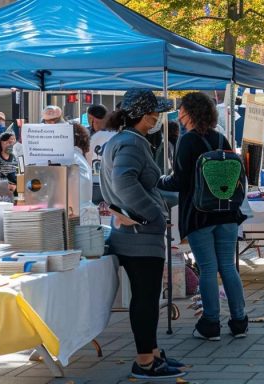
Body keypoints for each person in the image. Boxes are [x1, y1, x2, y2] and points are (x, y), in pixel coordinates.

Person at [99, 89, 186, 379]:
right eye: (154, 112)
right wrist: (153, 214)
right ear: (142, 114)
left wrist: (164, 201)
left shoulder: (122, 140)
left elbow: (136, 184)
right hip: (140, 237)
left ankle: (153, 352)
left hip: (133, 234)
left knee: (146, 297)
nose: (157, 117)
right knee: (146, 298)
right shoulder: (132, 143)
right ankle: (145, 360)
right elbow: (125, 183)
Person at [158, 92, 248, 341]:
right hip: (228, 212)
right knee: (228, 267)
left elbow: (178, 181)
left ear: (190, 113)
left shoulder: (187, 141)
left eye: (182, 110)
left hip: (199, 214)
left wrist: (158, 179)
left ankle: (210, 324)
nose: (179, 114)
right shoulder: (221, 138)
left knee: (208, 268)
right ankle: (239, 321)